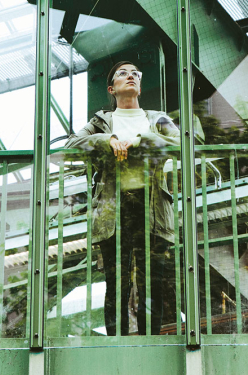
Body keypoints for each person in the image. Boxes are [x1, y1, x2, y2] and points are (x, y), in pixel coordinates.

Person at [65, 61, 179, 336]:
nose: (131, 76)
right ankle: (116, 344)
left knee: (152, 282)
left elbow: (185, 142)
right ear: (111, 89)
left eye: (136, 74)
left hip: (152, 207)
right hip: (113, 209)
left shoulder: (158, 118)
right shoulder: (101, 122)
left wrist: (142, 140)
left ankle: (151, 342)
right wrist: (107, 140)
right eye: (122, 73)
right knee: (116, 283)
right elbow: (71, 145)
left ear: (139, 86)